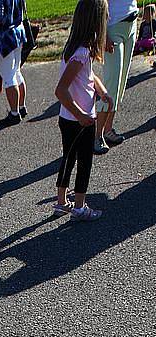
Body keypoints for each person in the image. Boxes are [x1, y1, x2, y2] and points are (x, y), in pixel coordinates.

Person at [54, 0, 113, 222]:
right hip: (80, 120)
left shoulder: (78, 48)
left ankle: (62, 202)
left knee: (68, 159)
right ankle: (79, 207)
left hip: (68, 118)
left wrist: (102, 91)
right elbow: (60, 90)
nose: (107, 21)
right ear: (95, 21)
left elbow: (89, 77)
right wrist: (82, 116)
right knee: (84, 162)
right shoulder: (82, 52)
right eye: (105, 16)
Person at [94, 0, 138, 154]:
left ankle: (108, 129)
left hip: (131, 23)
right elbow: (98, 3)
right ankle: (97, 135)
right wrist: (103, 35)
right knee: (111, 84)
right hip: (113, 28)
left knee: (121, 83)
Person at [0, 0, 27, 126]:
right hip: (18, 33)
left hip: (4, 38)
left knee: (8, 78)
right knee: (17, 72)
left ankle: (14, 114)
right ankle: (21, 107)